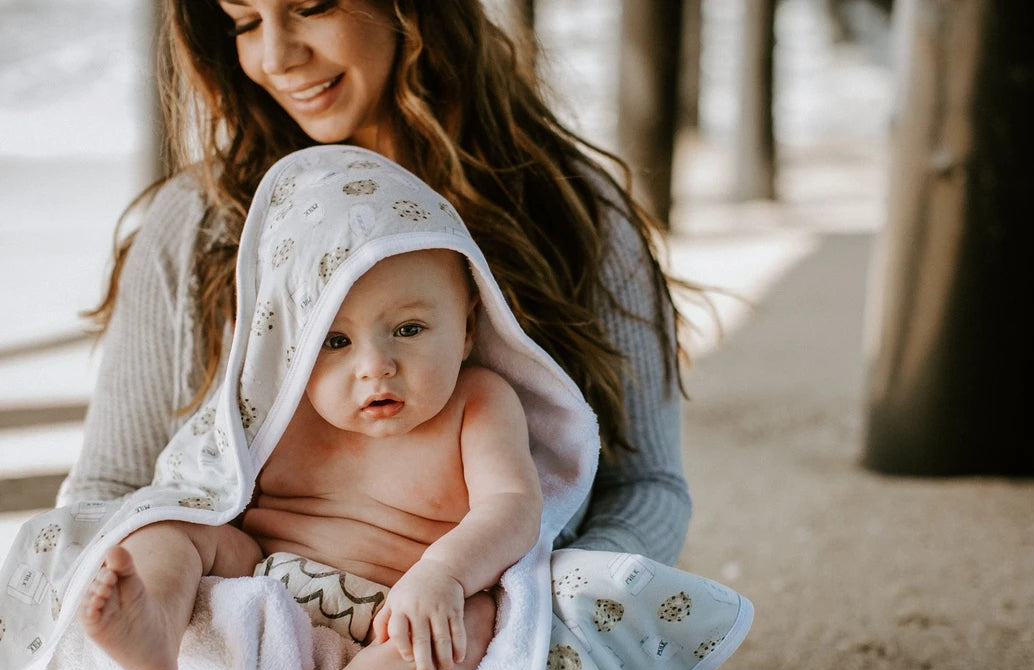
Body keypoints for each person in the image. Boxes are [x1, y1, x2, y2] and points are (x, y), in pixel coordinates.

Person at [60, 0, 691, 572]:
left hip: (472, 630)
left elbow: (647, 484)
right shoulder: (196, 224)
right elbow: (108, 488)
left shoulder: (571, 207)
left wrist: (549, 602)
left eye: (311, 7)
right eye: (245, 23)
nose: (276, 57)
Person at [81, 234, 543, 670]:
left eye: (409, 330)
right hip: (264, 570)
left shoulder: (479, 401)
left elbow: (513, 505)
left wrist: (442, 573)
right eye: (335, 340)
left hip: (394, 609)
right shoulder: (279, 403)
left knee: (475, 621)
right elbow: (208, 487)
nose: (376, 366)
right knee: (170, 527)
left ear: (468, 328)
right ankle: (156, 621)